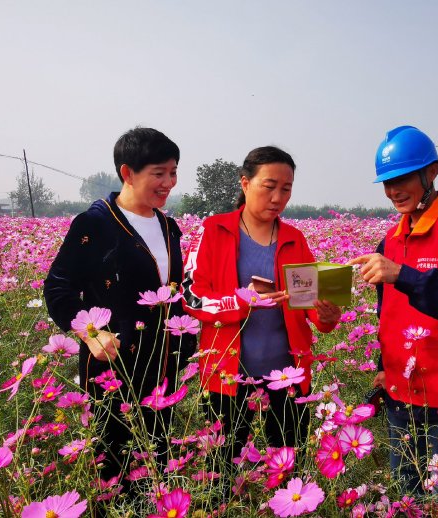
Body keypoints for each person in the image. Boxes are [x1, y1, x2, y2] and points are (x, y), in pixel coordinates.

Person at [348, 126, 438, 494]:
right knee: (406, 492)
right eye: (387, 182)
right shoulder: (391, 238)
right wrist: (383, 367)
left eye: (402, 179)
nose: (393, 191)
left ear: (432, 172)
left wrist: (403, 275)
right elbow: (389, 313)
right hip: (401, 391)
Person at [44, 127, 193, 485]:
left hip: (162, 364)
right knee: (114, 466)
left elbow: (172, 290)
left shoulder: (168, 226)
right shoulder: (95, 224)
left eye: (173, 172)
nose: (169, 183)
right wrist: (89, 332)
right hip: (113, 367)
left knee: (156, 461)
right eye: (159, 173)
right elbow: (58, 286)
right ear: (128, 173)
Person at [181, 146, 341, 480]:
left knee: (288, 468)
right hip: (227, 376)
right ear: (245, 182)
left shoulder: (295, 239)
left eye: (286, 189)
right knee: (221, 470)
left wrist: (326, 316)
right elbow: (192, 297)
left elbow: (308, 303)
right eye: (269, 186)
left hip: (287, 376)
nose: (278, 198)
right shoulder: (213, 230)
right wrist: (243, 301)